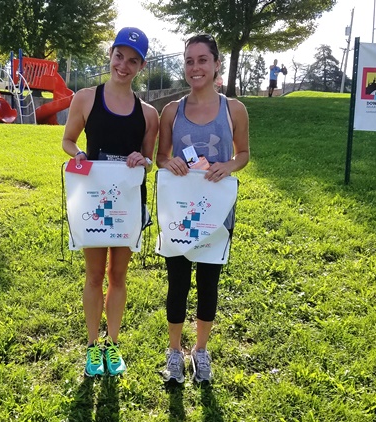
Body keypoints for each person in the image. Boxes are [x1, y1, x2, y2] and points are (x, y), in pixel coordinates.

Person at [62, 27, 159, 377]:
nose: (124, 65)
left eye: (133, 60)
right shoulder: (86, 98)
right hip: (93, 200)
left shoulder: (149, 114)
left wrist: (140, 160)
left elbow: (149, 160)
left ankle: (113, 346)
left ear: (141, 66)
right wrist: (81, 154)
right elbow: (68, 141)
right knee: (93, 275)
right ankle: (91, 348)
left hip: (127, 205)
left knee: (119, 275)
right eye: (120, 56)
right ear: (111, 54)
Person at [156, 34, 249, 383]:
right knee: (177, 284)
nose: (195, 67)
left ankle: (201, 351)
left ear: (216, 65)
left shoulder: (234, 109)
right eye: (189, 61)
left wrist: (230, 165)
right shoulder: (171, 111)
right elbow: (160, 157)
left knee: (209, 284)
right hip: (179, 212)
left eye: (202, 60)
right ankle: (174, 351)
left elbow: (244, 154)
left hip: (216, 213)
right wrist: (169, 163)